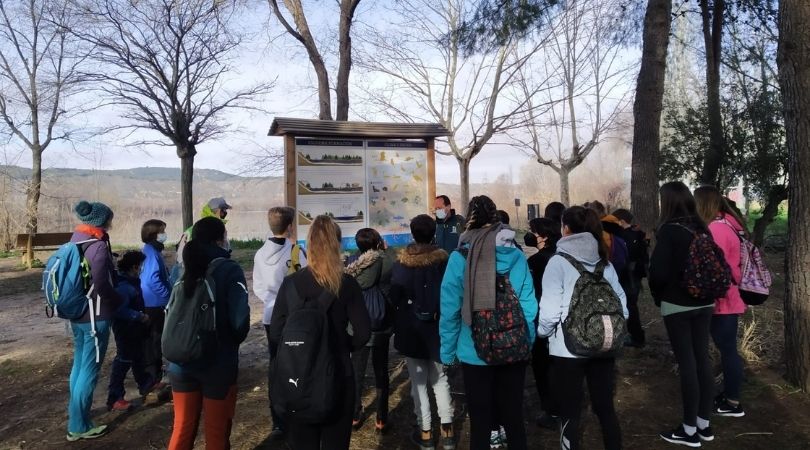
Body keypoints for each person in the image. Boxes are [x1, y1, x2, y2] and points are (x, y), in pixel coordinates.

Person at [440, 195, 537, 450]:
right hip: (513, 347)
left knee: (481, 421)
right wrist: (526, 339)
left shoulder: (459, 257)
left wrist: (447, 352)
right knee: (514, 418)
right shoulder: (515, 255)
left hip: (474, 350)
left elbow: (450, 310)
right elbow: (528, 303)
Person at [269, 215, 372, 450]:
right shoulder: (346, 284)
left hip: (298, 378)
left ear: (310, 244)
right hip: (338, 375)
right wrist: (340, 343)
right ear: (336, 245)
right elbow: (364, 333)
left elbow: (276, 333)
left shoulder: (290, 284)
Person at [537, 206, 627, 450]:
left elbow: (550, 308)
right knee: (605, 407)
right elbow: (621, 302)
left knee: (570, 409)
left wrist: (543, 333)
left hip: (567, 348)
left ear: (566, 229)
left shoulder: (558, 261)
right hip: (604, 343)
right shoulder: (604, 261)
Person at [167, 217, 250, 450]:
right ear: (219, 239)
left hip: (181, 358)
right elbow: (240, 321)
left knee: (182, 426)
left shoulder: (179, 270)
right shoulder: (229, 269)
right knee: (216, 430)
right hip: (218, 361)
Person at [650, 181, 715, 447]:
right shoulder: (702, 228)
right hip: (705, 302)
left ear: (666, 202)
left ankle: (688, 431)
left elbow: (658, 273)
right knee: (703, 359)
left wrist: (658, 297)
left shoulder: (669, 231)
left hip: (678, 305)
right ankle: (704, 424)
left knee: (687, 363)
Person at [389, 214, 456, 450]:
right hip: (439, 330)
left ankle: (425, 432)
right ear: (434, 233)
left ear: (412, 233)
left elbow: (394, 296)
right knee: (441, 380)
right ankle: (447, 431)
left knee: (418, 383)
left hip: (411, 331)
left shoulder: (401, 264)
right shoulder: (444, 262)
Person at [66, 200, 122, 441]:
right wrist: (117, 300)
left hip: (77, 313)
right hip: (94, 316)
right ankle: (78, 426)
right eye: (110, 218)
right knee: (89, 369)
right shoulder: (97, 246)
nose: (111, 222)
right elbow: (101, 283)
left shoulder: (75, 240)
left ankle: (76, 414)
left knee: (79, 366)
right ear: (102, 221)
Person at [253, 206, 308, 439]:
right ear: (290, 227)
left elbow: (257, 286)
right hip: (294, 317)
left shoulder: (258, 254)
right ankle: (300, 411)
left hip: (270, 316)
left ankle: (278, 419)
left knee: (276, 365)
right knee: (298, 363)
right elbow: (306, 280)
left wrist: (270, 301)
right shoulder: (296, 252)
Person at [695, 186, 747, 418]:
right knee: (727, 350)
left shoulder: (715, 229)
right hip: (729, 296)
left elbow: (715, 267)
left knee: (727, 352)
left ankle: (733, 401)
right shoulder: (728, 225)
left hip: (721, 299)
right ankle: (729, 395)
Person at [345, 228, 393, 432]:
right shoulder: (384, 260)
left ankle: (355, 415)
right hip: (380, 323)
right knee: (381, 370)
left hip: (356, 324)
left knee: (356, 371)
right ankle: (381, 418)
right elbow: (392, 285)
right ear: (377, 243)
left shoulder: (351, 264)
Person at [526, 217, 562, 430]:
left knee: (542, 366)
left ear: (544, 236)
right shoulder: (561, 257)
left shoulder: (535, 262)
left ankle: (550, 410)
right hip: (560, 319)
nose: (530, 235)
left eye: (533, 231)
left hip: (541, 318)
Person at [107, 250, 154, 412]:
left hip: (135, 329)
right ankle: (115, 396)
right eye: (141, 266)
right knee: (123, 360)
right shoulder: (124, 287)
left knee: (138, 357)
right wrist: (139, 316)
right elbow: (118, 310)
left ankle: (146, 384)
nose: (142, 269)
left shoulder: (132, 282)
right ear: (134, 267)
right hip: (125, 329)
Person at [139, 219, 173, 402]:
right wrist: (167, 295)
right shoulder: (151, 253)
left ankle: (153, 376)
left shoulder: (149, 251)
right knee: (154, 340)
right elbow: (152, 280)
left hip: (150, 302)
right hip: (154, 303)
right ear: (154, 234)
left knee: (152, 340)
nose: (164, 235)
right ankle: (153, 378)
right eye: (162, 231)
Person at [611, 208, 650, 348]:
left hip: (628, 276)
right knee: (630, 305)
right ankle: (634, 335)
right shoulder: (637, 234)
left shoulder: (624, 236)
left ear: (621, 221)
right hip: (635, 275)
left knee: (629, 306)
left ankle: (637, 337)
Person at [173, 197, 232, 282]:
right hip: (197, 275)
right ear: (217, 211)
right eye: (223, 211)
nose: (225, 213)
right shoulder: (196, 230)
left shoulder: (218, 229)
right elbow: (181, 257)